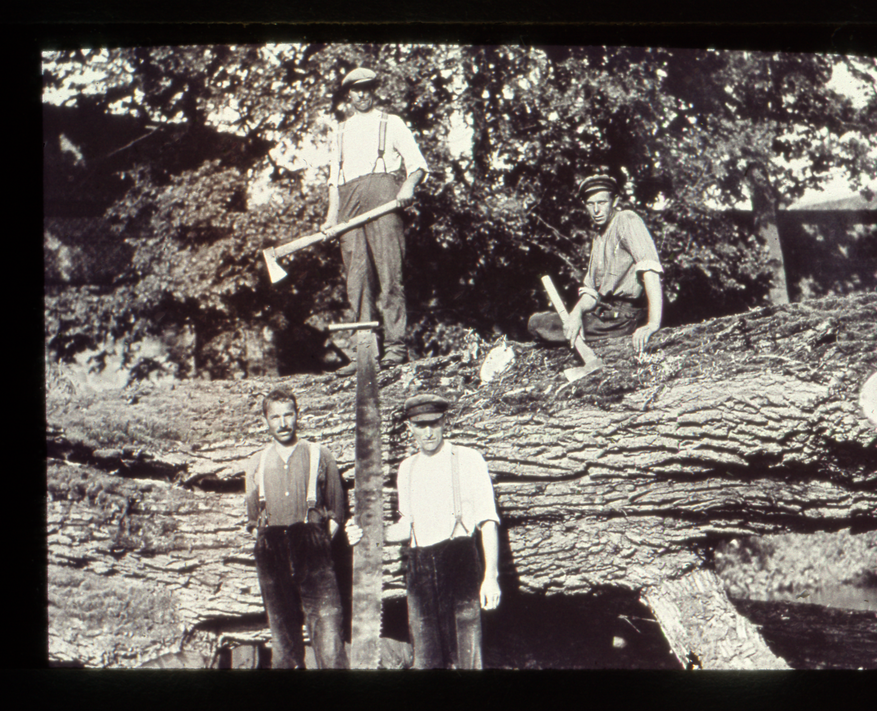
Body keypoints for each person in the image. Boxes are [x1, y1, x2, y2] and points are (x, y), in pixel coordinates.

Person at [321, 67, 429, 374]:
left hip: (384, 198)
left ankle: (395, 348)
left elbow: (417, 164)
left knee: (389, 276)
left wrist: (407, 187)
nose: (363, 94)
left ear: (374, 91)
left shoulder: (390, 122)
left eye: (368, 88)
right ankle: (363, 352)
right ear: (348, 95)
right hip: (348, 204)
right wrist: (331, 218)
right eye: (357, 90)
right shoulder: (340, 131)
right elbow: (333, 180)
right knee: (357, 281)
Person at [244, 387, 360, 668]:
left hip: (312, 548)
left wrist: (317, 542)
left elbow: (336, 512)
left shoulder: (319, 455)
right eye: (275, 417)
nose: (283, 423)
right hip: (273, 551)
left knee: (328, 631)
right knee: (282, 637)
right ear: (265, 421)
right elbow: (252, 520)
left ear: (297, 416)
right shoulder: (256, 462)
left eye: (288, 415)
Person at [384, 393, 501, 669]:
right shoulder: (407, 469)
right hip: (419, 571)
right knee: (425, 659)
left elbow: (488, 521)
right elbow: (406, 526)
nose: (428, 432)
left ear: (444, 422)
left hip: (459, 565)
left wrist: (491, 577)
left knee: (466, 658)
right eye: (420, 425)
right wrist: (373, 534)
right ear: (409, 427)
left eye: (434, 424)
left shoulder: (467, 459)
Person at [527, 173, 664, 353]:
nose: (596, 210)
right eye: (591, 204)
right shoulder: (598, 237)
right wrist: (576, 314)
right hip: (603, 314)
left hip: (623, 319)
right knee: (538, 321)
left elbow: (650, 271)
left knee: (540, 324)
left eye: (602, 202)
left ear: (614, 201)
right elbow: (591, 293)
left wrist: (652, 323)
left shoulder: (627, 220)